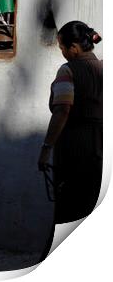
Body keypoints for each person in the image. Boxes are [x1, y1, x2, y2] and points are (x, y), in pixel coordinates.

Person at [38, 21, 102, 223]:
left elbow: (62, 110)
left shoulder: (68, 70)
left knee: (70, 208)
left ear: (74, 49)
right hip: (101, 147)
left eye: (62, 48)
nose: (62, 52)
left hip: (74, 147)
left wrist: (46, 148)